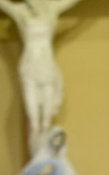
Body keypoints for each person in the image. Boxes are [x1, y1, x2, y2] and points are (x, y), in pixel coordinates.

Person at [0, 0, 82, 154]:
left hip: (46, 67)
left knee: (46, 121)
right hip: (29, 68)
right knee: (33, 121)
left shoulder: (52, 9)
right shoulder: (21, 12)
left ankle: (45, 157)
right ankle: (36, 159)